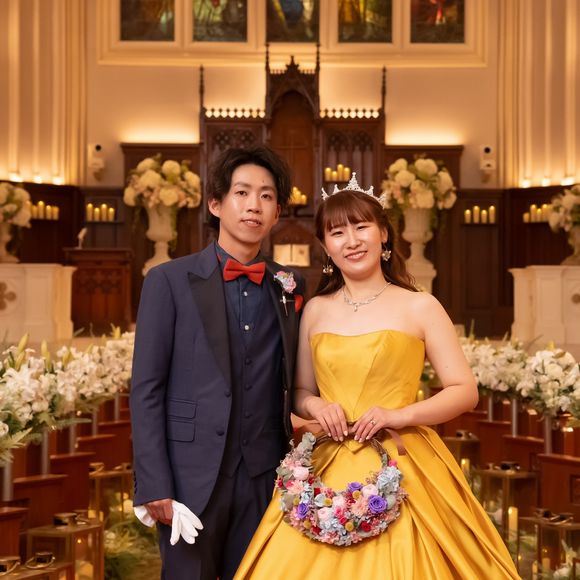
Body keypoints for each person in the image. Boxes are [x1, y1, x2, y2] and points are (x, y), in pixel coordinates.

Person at [234, 176, 519, 579]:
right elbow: (300, 390)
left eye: (361, 226)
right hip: (328, 455)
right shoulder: (315, 309)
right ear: (325, 246)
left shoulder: (421, 306)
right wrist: (317, 405)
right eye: (337, 232)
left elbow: (464, 390)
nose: (351, 240)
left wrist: (397, 415)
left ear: (383, 233)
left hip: (404, 456)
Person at [130, 145, 305, 580]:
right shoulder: (168, 281)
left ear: (277, 211)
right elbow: (147, 388)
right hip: (188, 478)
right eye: (242, 192)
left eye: (266, 196)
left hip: (265, 476)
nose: (254, 205)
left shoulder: (289, 285)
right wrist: (154, 482)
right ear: (215, 204)